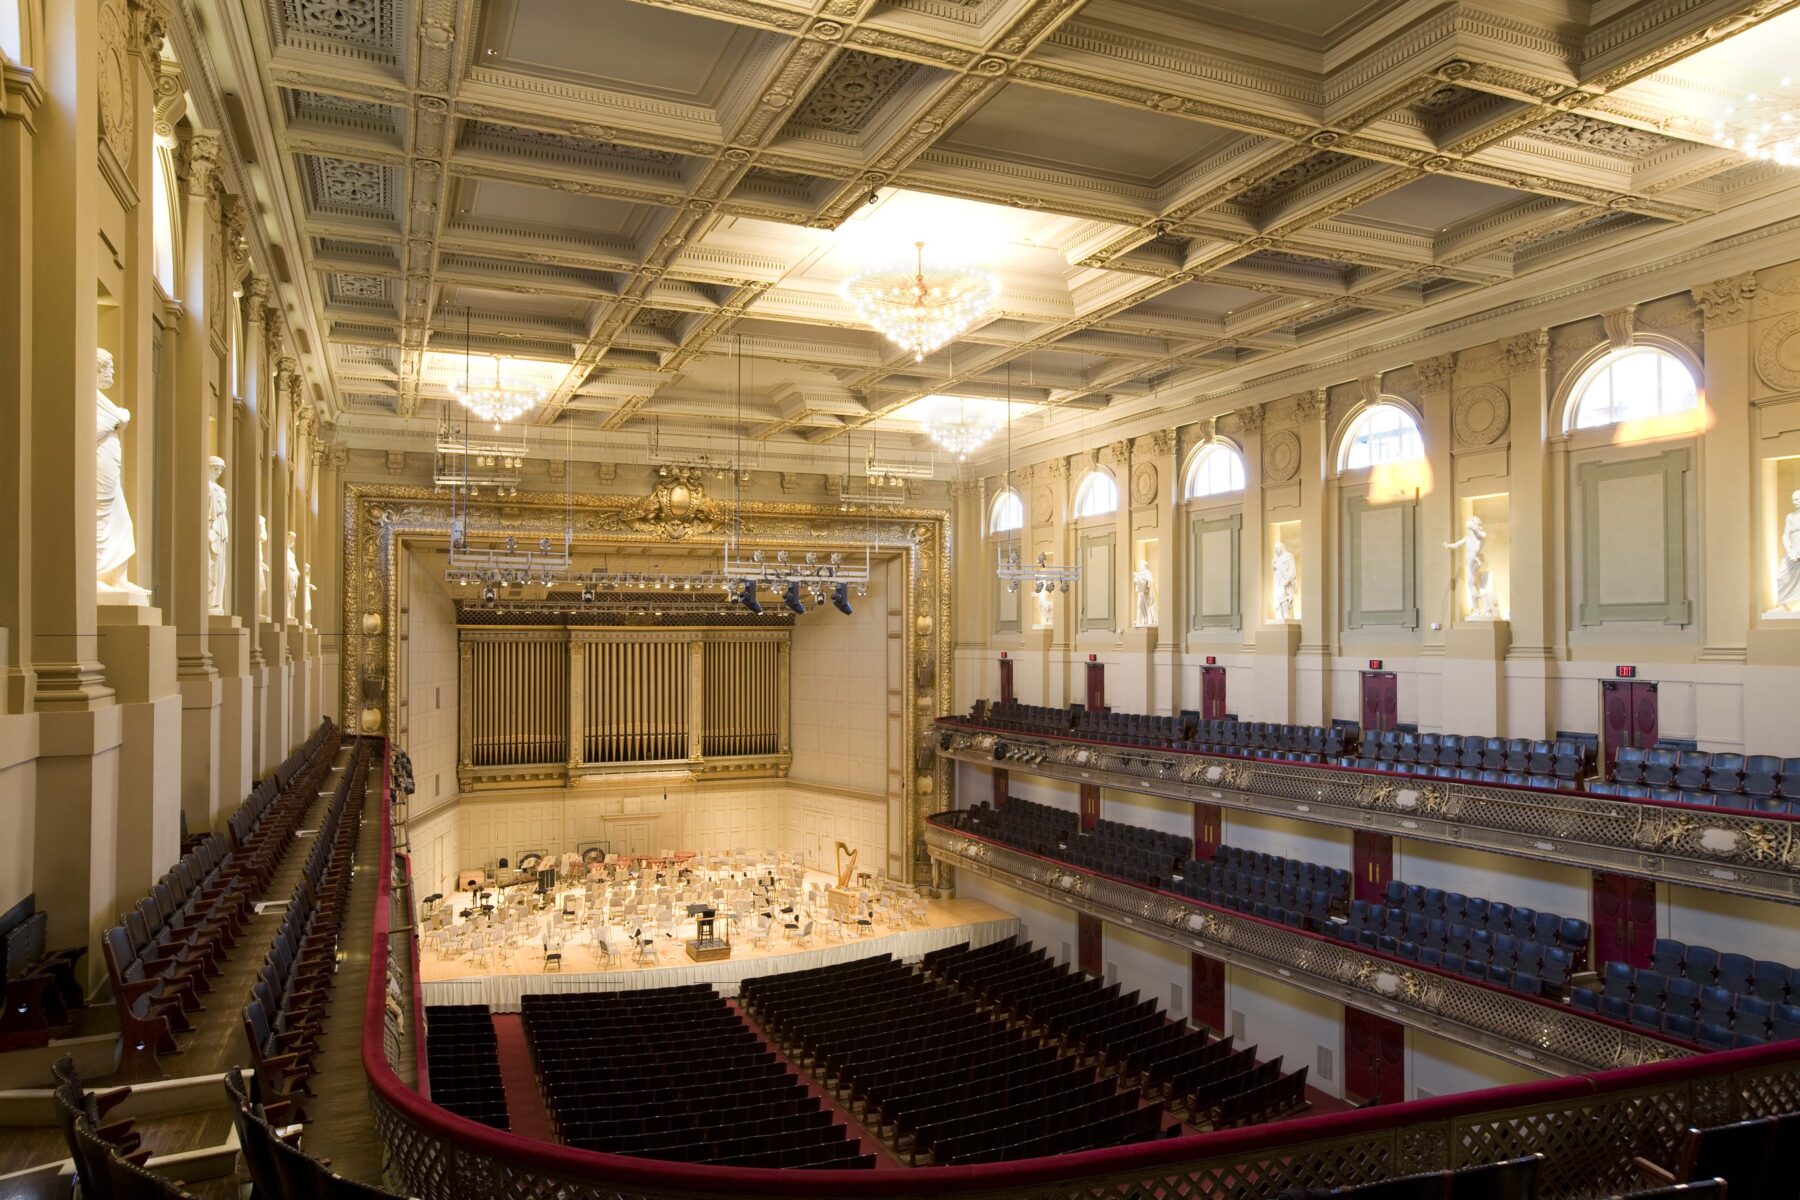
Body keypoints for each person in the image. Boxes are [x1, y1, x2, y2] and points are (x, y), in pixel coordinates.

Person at [95, 348, 142, 595]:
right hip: (99, 468)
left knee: (123, 521)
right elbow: (90, 428)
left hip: (110, 469)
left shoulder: (101, 400)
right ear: (97, 369)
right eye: (109, 367)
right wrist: (118, 418)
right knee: (100, 517)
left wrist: (118, 418)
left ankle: (118, 579)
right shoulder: (88, 397)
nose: (113, 371)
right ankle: (97, 574)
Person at [1444, 516, 1498, 619]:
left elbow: (1480, 536)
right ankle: (1479, 610)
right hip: (1469, 561)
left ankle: (1482, 609)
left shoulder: (1481, 534)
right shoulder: (1468, 537)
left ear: (1475, 524)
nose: (1468, 524)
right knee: (1472, 586)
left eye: (1471, 522)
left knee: (1473, 585)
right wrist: (1448, 546)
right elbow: (1456, 545)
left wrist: (1474, 528)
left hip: (1475, 561)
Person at [206, 456, 230, 613]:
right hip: (212, 528)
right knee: (211, 565)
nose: (219, 472)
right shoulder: (206, 486)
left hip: (221, 529)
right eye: (216, 468)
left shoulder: (220, 490)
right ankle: (209, 601)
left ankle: (216, 602)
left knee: (220, 567)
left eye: (221, 469)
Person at [1777, 489, 1800, 611]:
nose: (1794, 501)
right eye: (1793, 498)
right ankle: (1784, 603)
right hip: (1793, 552)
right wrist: (1789, 551)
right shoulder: (1790, 517)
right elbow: (1785, 535)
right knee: (1781, 576)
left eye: (1797, 498)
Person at [1272, 542, 1298, 621]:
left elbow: (1292, 569)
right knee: (1278, 597)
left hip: (1285, 580)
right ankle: (1279, 616)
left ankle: (1286, 615)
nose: (1276, 550)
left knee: (1284, 597)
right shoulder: (1275, 559)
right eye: (1275, 549)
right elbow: (1274, 570)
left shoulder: (1288, 556)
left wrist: (1288, 580)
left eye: (1278, 548)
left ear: (1282, 547)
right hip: (1277, 581)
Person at [1132, 559, 1157, 627]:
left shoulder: (1148, 572)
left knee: (1147, 605)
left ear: (1144, 565)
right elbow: (1135, 580)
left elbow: (1150, 581)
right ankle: (1140, 619)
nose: (1141, 566)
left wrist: (1146, 583)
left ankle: (1146, 619)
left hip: (1146, 593)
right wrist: (1137, 576)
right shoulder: (1140, 573)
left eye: (1141, 565)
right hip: (1141, 592)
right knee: (1139, 605)